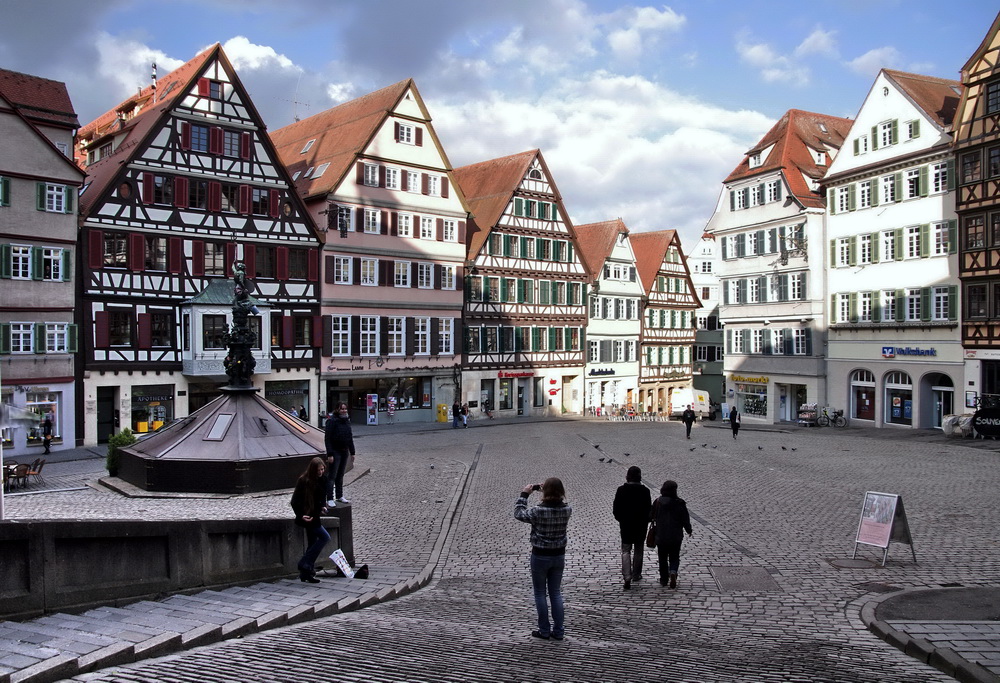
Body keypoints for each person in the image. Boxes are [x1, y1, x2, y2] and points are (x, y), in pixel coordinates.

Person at [515, 477, 572, 641]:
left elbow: (518, 513)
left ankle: (544, 630)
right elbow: (556, 500)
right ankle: (559, 631)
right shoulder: (567, 509)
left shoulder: (537, 511)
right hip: (558, 555)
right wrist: (547, 489)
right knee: (555, 593)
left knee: (540, 593)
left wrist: (525, 494)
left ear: (544, 492)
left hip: (540, 555)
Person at [290, 457, 329, 583]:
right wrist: (301, 515)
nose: (321, 472)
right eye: (318, 470)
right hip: (308, 516)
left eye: (322, 469)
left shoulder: (323, 479)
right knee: (325, 537)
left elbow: (323, 496)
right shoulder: (304, 481)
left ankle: (306, 573)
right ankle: (304, 563)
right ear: (313, 470)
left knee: (312, 543)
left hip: (315, 514)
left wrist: (323, 505)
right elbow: (295, 501)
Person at [613, 466, 651, 590]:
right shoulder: (645, 491)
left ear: (627, 477)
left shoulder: (621, 490)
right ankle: (636, 574)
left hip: (626, 525)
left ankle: (627, 576)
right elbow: (648, 510)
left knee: (625, 550)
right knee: (639, 550)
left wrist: (622, 519)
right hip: (640, 525)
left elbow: (616, 509)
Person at [651, 480, 693, 589]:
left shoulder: (658, 502)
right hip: (676, 535)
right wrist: (689, 530)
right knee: (674, 556)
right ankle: (673, 571)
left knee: (662, 557)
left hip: (661, 535)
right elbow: (685, 519)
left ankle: (664, 579)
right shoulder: (679, 503)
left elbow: (651, 515)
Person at [325, 402, 355, 505]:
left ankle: (339, 495)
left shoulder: (347, 421)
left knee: (340, 475)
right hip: (335, 452)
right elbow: (327, 439)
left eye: (345, 409)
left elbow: (350, 437)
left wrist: (352, 452)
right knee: (332, 476)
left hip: (344, 451)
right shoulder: (332, 421)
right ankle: (329, 498)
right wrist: (330, 454)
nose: (344, 410)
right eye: (342, 409)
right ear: (337, 409)